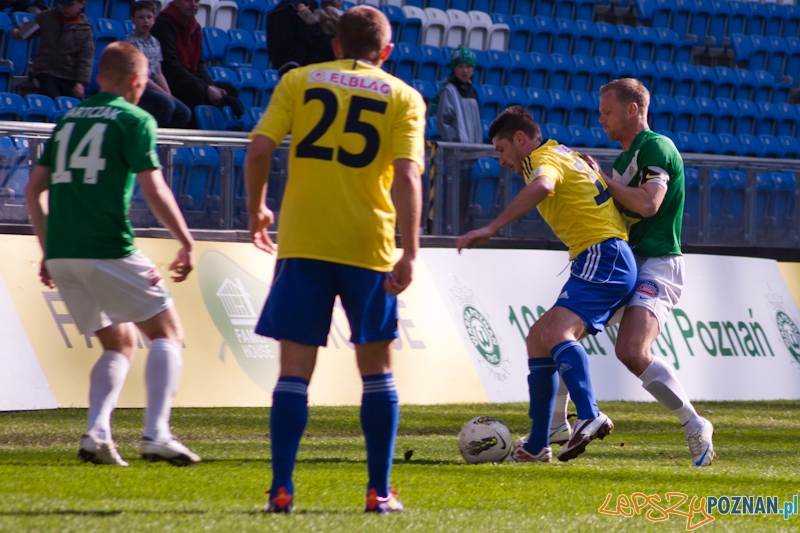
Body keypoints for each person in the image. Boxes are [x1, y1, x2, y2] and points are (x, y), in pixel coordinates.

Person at [245, 5, 424, 513]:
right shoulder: (403, 97)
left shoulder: (299, 81)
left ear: (336, 46)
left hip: (303, 240)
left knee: (294, 373)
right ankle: (378, 491)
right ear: (386, 52)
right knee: (377, 371)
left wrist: (257, 208)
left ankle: (281, 490)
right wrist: (409, 252)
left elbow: (258, 150)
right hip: (368, 244)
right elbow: (409, 177)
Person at [24, 41, 200, 468]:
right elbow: (155, 188)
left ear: (100, 77)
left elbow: (33, 190)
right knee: (168, 334)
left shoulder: (67, 120)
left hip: (64, 251)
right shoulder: (135, 118)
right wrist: (186, 240)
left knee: (118, 342)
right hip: (107, 246)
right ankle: (156, 434)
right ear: (138, 81)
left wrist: (49, 251)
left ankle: (97, 434)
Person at [457, 106, 637, 463]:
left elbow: (543, 184)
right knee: (538, 338)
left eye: (501, 150)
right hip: (602, 256)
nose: (501, 161)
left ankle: (588, 414)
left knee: (556, 333)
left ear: (520, 139)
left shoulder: (542, 160)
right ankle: (538, 444)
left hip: (604, 254)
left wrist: (491, 228)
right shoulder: (561, 151)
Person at [591, 78, 715, 466]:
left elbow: (649, 204)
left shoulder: (656, 146)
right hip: (627, 261)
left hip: (658, 263)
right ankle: (555, 425)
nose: (600, 119)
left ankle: (695, 424)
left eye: (607, 111)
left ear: (632, 110)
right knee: (564, 331)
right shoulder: (622, 161)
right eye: (600, 111)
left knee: (630, 350)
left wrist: (603, 181)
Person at [151, 0, 244, 127]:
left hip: (189, 79)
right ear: (177, 2)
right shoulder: (163, 24)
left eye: (197, 1)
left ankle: (219, 137)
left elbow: (199, 65)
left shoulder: (195, 27)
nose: (193, 4)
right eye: (188, 0)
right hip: (168, 81)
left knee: (229, 90)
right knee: (197, 89)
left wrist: (211, 86)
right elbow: (170, 66)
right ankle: (194, 139)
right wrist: (206, 88)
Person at [9, 0, 93, 100]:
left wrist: (81, 82)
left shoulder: (85, 29)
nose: (64, 8)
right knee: (48, 95)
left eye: (69, 5)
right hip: (46, 68)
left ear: (82, 4)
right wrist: (18, 32)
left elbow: (86, 58)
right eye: (62, 4)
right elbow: (28, 30)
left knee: (74, 101)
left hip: (69, 73)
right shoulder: (47, 17)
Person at [126, 0, 191, 129]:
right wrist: (163, 93)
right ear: (132, 20)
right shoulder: (131, 43)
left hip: (154, 86)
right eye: (141, 17)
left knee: (184, 113)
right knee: (167, 104)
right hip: (138, 87)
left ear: (154, 19)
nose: (146, 21)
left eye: (149, 17)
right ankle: (152, 135)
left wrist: (168, 92)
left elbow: (159, 73)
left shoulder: (155, 42)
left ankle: (166, 142)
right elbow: (141, 77)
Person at [266, 0, 335, 75]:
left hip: (283, 62)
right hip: (299, 64)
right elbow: (310, 33)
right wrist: (334, 44)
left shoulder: (279, 8)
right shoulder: (302, 5)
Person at [434, 47, 482, 145]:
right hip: (455, 150)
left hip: (473, 150)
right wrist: (455, 141)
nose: (465, 71)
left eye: (468, 67)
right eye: (460, 66)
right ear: (454, 69)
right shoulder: (449, 91)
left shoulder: (473, 92)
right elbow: (443, 122)